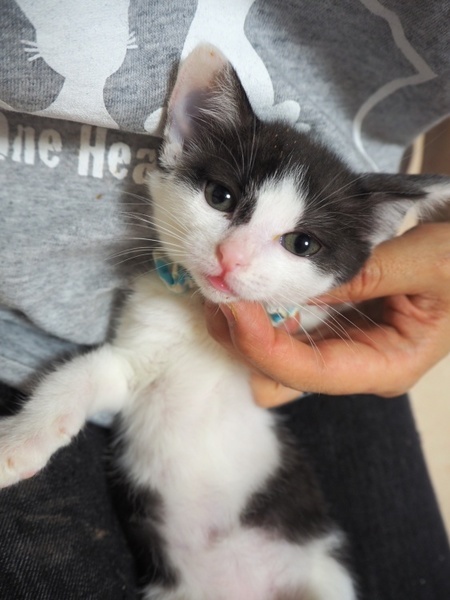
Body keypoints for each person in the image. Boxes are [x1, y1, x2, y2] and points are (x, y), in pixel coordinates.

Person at [1, 1, 450, 598]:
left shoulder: (317, 316)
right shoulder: (161, 295)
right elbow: (121, 371)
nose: (233, 258)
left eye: (298, 243)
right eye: (221, 198)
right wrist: (41, 427)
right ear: (182, 142)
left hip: (294, 552)